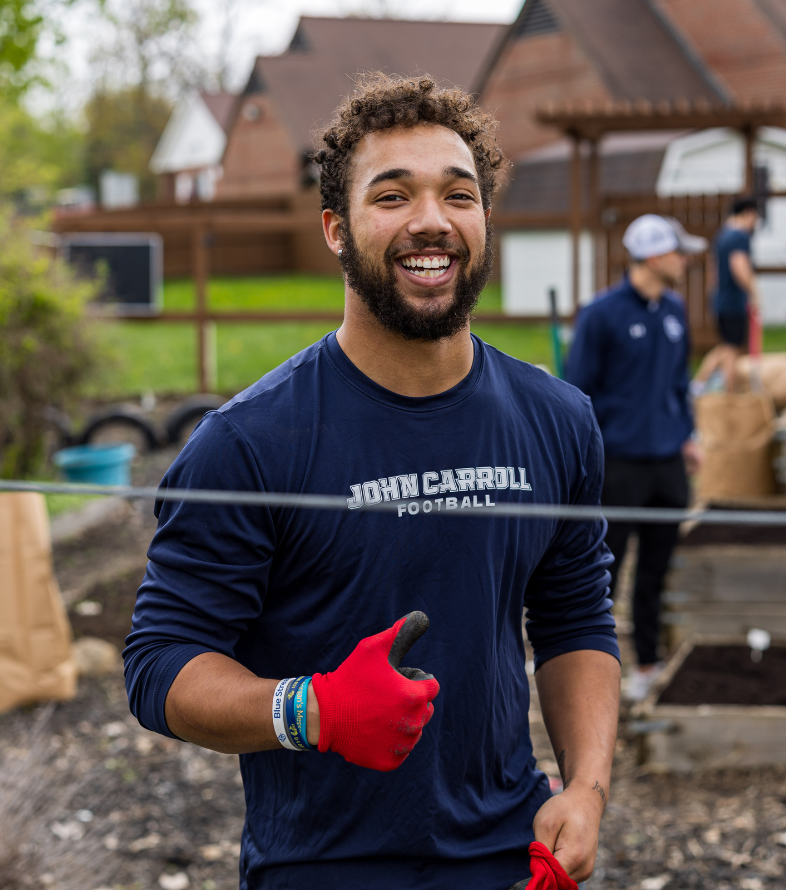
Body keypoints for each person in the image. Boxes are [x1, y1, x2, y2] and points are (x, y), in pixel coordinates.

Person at [124, 74, 620, 890]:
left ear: (484, 219)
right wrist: (308, 709)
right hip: (320, 868)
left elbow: (575, 623)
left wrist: (587, 790)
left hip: (507, 859)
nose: (432, 220)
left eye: (458, 195)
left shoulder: (557, 419)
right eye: (393, 196)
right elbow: (160, 665)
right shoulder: (248, 444)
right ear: (335, 228)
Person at [566, 214, 705, 702]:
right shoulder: (601, 314)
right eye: (678, 251)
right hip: (618, 466)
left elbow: (677, 383)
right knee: (602, 573)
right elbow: (576, 392)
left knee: (656, 573)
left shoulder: (674, 310)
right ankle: (593, 677)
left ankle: (647, 664)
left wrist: (686, 435)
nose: (686, 260)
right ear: (651, 256)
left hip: (667, 466)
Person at [694, 196, 760, 391]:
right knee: (732, 350)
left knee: (725, 346)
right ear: (749, 213)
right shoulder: (740, 236)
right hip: (733, 300)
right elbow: (739, 266)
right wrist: (755, 292)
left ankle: (697, 386)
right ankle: (729, 396)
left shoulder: (722, 235)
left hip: (721, 299)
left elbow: (713, 270)